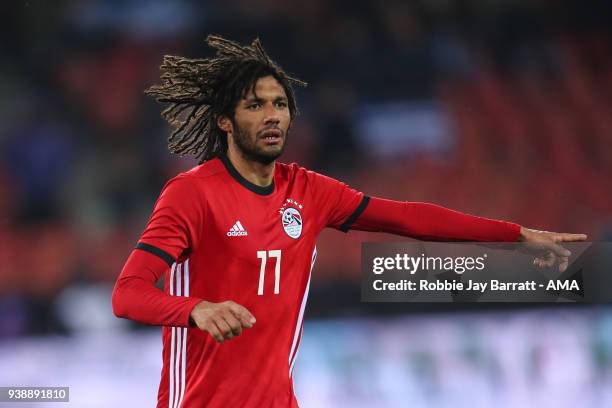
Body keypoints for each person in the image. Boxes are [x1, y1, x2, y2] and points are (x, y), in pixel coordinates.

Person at [111, 35, 587, 408]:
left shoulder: (310, 191)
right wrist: (196, 309)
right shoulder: (192, 194)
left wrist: (515, 235)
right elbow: (127, 294)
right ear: (225, 122)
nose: (272, 115)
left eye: (280, 104)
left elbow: (408, 218)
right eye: (255, 105)